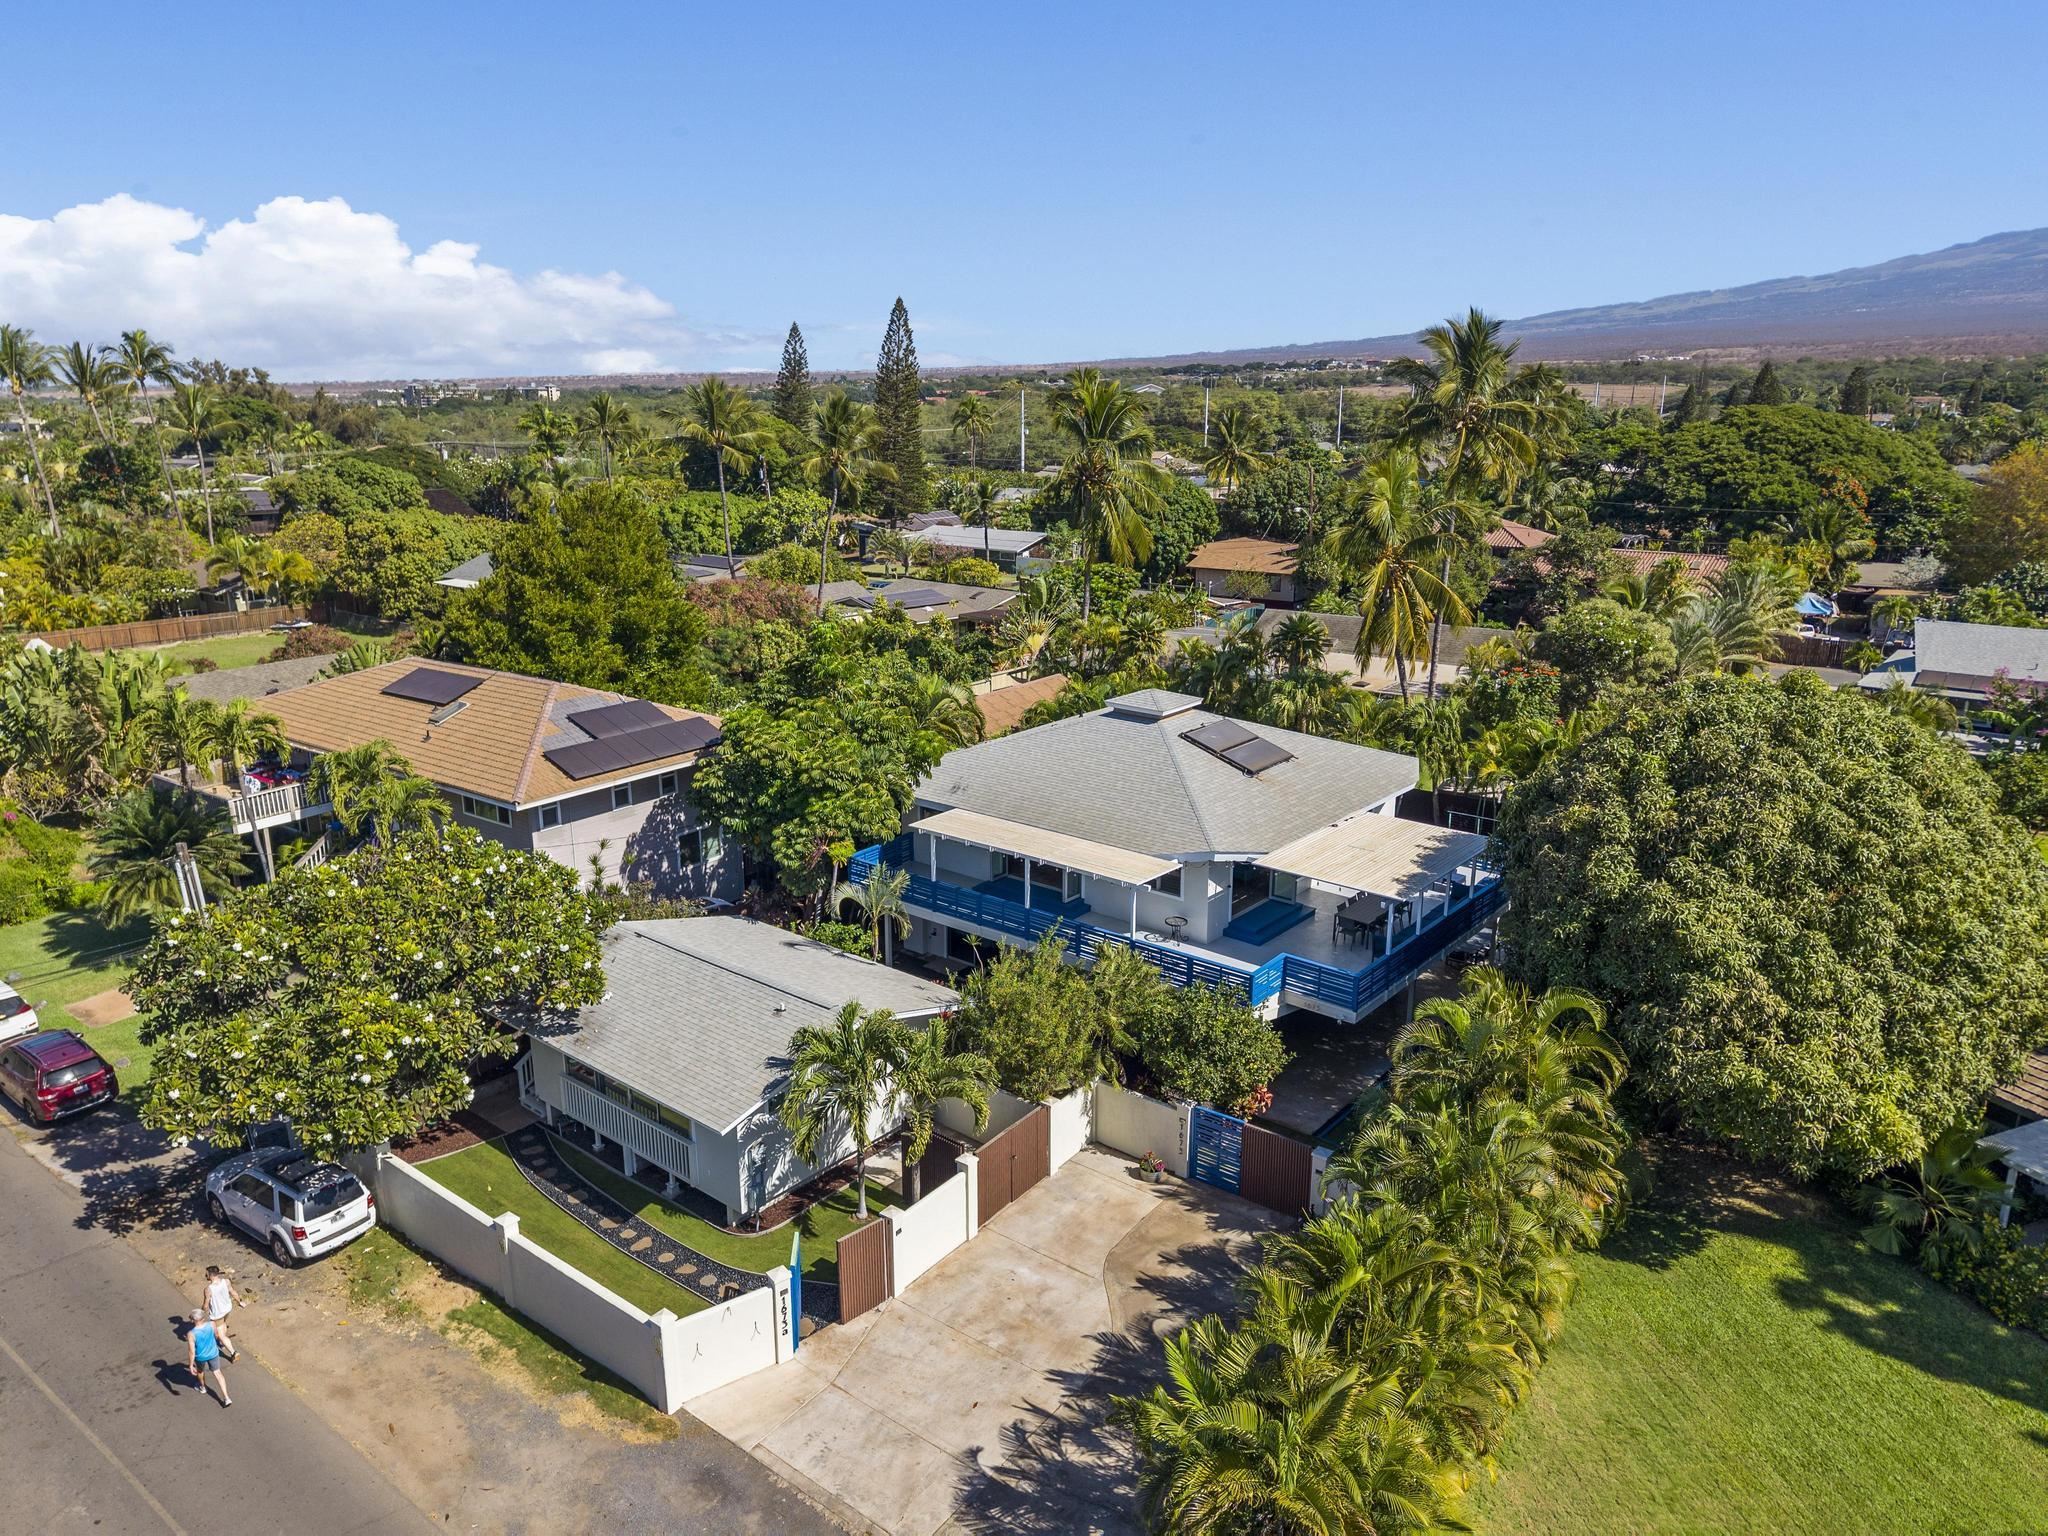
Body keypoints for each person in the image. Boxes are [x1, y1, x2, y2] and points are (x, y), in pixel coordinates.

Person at [186, 1309, 231, 1407]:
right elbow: (216, 1335)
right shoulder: (212, 1324)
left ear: (194, 1320)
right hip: (213, 1353)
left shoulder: (191, 1334)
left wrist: (190, 1365)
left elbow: (192, 1351)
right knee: (218, 1373)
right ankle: (226, 1397)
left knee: (200, 1372)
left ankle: (202, 1387)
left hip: (200, 1357)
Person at [199, 1265, 244, 1360]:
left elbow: (206, 1305)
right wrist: (239, 1301)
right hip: (227, 1309)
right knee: (223, 1325)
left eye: (206, 1274)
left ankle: (233, 1353)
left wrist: (202, 1311)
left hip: (217, 1314)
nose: (205, 1275)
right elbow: (233, 1292)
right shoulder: (226, 1282)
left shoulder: (208, 1289)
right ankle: (222, 1342)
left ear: (210, 1275)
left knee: (221, 1335)